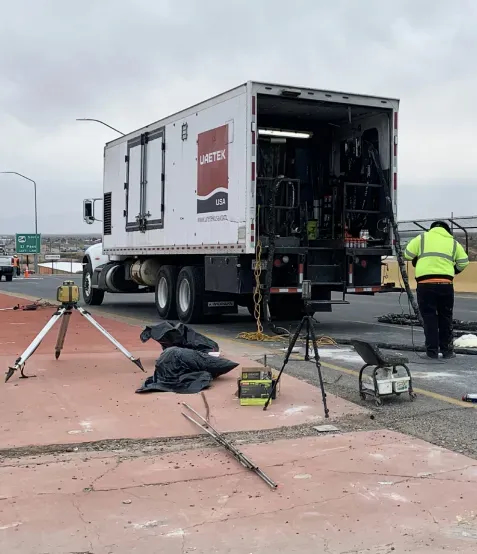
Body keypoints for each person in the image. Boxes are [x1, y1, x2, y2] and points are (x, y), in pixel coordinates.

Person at [404, 221, 469, 359]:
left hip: (425, 285)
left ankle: (432, 352)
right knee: (446, 317)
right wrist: (452, 271)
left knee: (429, 318)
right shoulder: (453, 243)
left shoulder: (422, 238)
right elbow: (464, 262)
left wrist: (418, 258)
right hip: (446, 285)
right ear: (447, 231)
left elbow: (407, 254)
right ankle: (447, 351)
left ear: (432, 229)